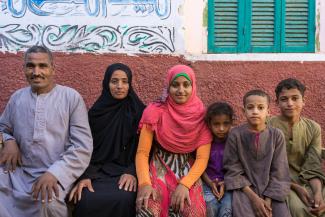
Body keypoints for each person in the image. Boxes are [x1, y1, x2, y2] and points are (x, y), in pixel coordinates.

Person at [0, 45, 93, 217]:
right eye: (30, 66)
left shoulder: (71, 98)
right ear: (24, 69)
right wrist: (8, 140)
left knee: (48, 203)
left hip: (57, 173)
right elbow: (2, 127)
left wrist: (55, 173)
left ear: (52, 69)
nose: (36, 72)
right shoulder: (17, 98)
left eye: (42, 66)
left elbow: (82, 147)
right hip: (19, 174)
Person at [69, 63, 145, 217]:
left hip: (127, 171)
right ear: (106, 84)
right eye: (114, 81)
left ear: (130, 84)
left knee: (124, 198)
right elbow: (85, 148)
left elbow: (143, 150)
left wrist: (132, 172)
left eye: (124, 81)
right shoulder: (96, 113)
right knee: (85, 199)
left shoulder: (140, 112)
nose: (119, 86)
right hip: (97, 172)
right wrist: (86, 176)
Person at [135, 65, 212, 217]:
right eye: (175, 85)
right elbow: (142, 153)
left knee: (193, 212)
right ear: (168, 86)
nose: (181, 90)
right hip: (158, 167)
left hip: (188, 170)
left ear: (193, 86)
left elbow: (202, 158)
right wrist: (144, 184)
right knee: (147, 210)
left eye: (186, 85)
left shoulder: (202, 115)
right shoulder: (155, 111)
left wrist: (185, 184)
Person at [223, 89, 291, 217]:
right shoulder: (235, 135)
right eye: (250, 107)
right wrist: (254, 199)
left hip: (272, 190)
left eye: (260, 108)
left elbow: (279, 171)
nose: (255, 111)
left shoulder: (276, 135)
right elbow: (233, 169)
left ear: (268, 112)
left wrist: (268, 200)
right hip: (244, 189)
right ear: (244, 111)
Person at [269, 78, 325, 217]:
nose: (290, 103)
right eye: (284, 99)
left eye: (295, 98)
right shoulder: (268, 126)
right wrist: (296, 187)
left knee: (320, 204)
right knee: (299, 209)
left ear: (303, 101)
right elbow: (267, 168)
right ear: (277, 103)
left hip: (309, 181)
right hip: (282, 182)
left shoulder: (313, 128)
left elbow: (313, 166)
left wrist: (318, 193)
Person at [201, 102, 234, 217]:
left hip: (229, 184)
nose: (221, 129)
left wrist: (226, 182)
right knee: (210, 208)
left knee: (227, 210)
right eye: (216, 124)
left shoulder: (233, 141)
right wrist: (210, 183)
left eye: (226, 124)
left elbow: (236, 167)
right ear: (209, 124)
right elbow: (200, 167)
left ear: (231, 123)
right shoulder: (205, 143)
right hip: (208, 184)